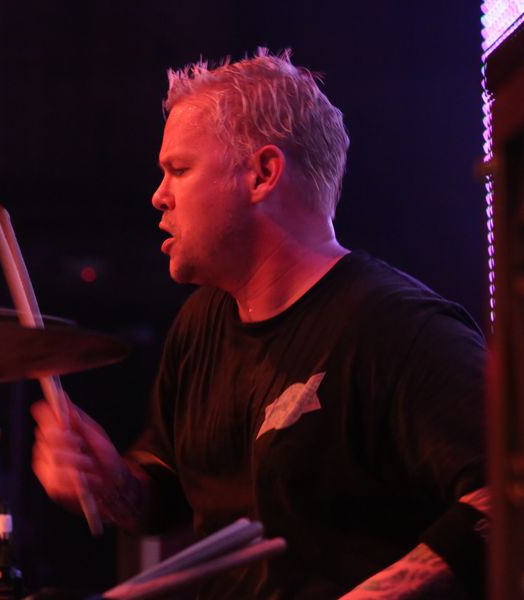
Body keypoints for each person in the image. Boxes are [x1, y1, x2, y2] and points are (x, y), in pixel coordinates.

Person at [31, 49, 489, 599]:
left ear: (262, 174)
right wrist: (110, 484)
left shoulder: (398, 329)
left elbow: (505, 496)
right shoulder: (200, 324)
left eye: (179, 170)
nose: (159, 196)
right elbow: (164, 495)